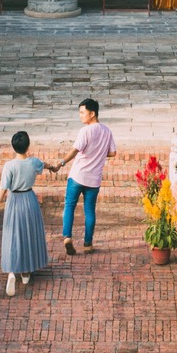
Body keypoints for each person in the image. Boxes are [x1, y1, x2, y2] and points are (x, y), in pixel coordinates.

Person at [0, 130, 51, 296]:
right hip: (29, 200)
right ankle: (25, 273)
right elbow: (44, 165)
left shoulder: (9, 166)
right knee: (29, 235)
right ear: (28, 146)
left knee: (13, 235)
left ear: (13, 147)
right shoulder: (33, 163)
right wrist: (55, 167)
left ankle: (11, 272)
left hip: (14, 201)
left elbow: (3, 188)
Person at [59, 97, 117, 255]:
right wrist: (99, 152)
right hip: (94, 179)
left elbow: (75, 150)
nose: (80, 115)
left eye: (82, 112)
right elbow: (113, 152)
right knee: (90, 210)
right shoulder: (107, 131)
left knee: (69, 206)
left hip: (78, 176)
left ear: (92, 113)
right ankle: (88, 244)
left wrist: (61, 163)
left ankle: (67, 237)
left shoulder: (85, 131)